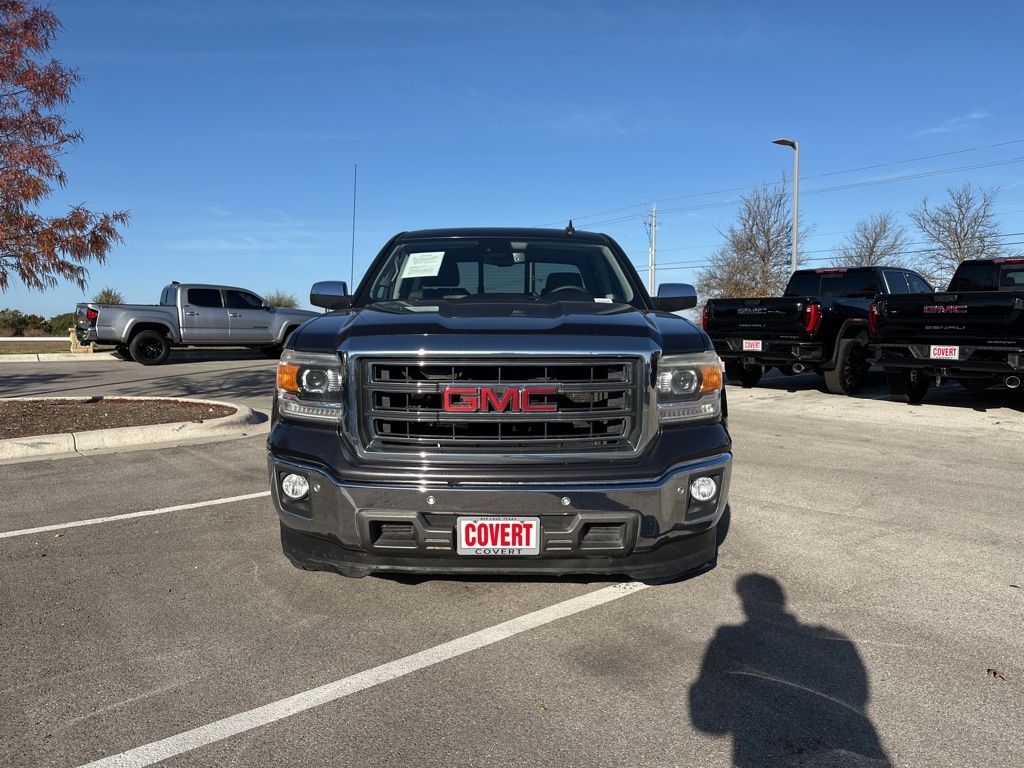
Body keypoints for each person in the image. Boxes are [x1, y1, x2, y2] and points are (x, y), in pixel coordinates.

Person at [689, 574, 892, 767]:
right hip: (845, 741)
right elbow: (858, 690)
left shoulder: (728, 639)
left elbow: (710, 721)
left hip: (765, 751)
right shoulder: (833, 640)